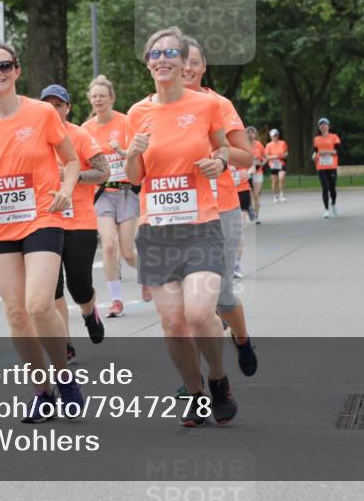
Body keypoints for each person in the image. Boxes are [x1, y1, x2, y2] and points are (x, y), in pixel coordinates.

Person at [0, 44, 83, 422]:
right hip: (0, 223)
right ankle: (42, 391)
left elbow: (72, 160)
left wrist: (65, 189)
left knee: (39, 305)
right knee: (15, 314)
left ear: (16, 71)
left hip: (42, 217)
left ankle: (64, 377)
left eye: (4, 65)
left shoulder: (42, 113)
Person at [125, 26, 238, 427]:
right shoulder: (137, 113)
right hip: (156, 232)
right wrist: (132, 154)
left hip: (201, 226)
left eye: (170, 53)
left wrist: (220, 162)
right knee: (173, 324)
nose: (162, 60)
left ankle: (220, 379)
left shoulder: (205, 106)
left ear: (182, 60)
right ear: (147, 62)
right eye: (155, 54)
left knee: (199, 314)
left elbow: (225, 147)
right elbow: (135, 178)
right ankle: (195, 392)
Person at [182, 37, 258, 377]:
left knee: (222, 298)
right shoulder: (152, 110)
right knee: (190, 306)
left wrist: (223, 157)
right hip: (178, 215)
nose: (186, 67)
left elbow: (247, 154)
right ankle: (197, 380)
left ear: (203, 66)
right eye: (179, 59)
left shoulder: (219, 104)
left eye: (193, 61)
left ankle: (242, 340)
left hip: (220, 210)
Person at [39, 84, 108, 363]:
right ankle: (65, 345)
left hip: (79, 221)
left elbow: (104, 172)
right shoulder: (33, 137)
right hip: (44, 222)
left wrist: (71, 175)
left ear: (67, 108)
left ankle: (89, 311)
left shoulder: (80, 135)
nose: (53, 110)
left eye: (59, 104)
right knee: (53, 289)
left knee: (79, 286)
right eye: (48, 104)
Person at [82, 74, 142, 315]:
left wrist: (121, 151)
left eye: (102, 96)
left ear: (112, 99)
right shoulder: (85, 129)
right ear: (90, 99)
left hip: (127, 192)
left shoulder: (126, 122)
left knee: (127, 253)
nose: (98, 100)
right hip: (102, 195)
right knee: (108, 246)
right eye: (94, 96)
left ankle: (148, 277)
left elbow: (139, 155)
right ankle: (116, 301)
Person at [312, 117, 342, 218]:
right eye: (321, 124)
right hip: (321, 166)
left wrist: (325, 152)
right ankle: (326, 210)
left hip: (332, 165)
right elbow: (315, 152)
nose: (323, 126)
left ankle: (333, 204)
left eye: (325, 124)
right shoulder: (316, 139)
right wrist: (314, 156)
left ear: (328, 126)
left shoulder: (334, 137)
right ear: (319, 127)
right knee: (325, 187)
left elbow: (337, 151)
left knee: (332, 187)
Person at [246, 126, 266, 224]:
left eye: (252, 133)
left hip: (258, 172)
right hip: (247, 173)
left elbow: (265, 157)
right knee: (249, 195)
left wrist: (262, 163)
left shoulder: (259, 145)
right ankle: (250, 210)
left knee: (256, 195)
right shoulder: (243, 145)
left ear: (255, 134)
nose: (250, 135)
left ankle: (257, 216)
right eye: (248, 133)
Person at [266, 129, 289, 203]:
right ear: (271, 137)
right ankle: (275, 195)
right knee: (274, 181)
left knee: (281, 178)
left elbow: (286, 153)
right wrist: (275, 156)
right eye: (273, 136)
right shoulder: (268, 145)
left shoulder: (282, 143)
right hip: (273, 164)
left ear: (278, 136)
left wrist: (283, 155)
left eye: (276, 135)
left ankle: (282, 195)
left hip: (281, 163)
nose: (275, 137)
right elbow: (266, 156)